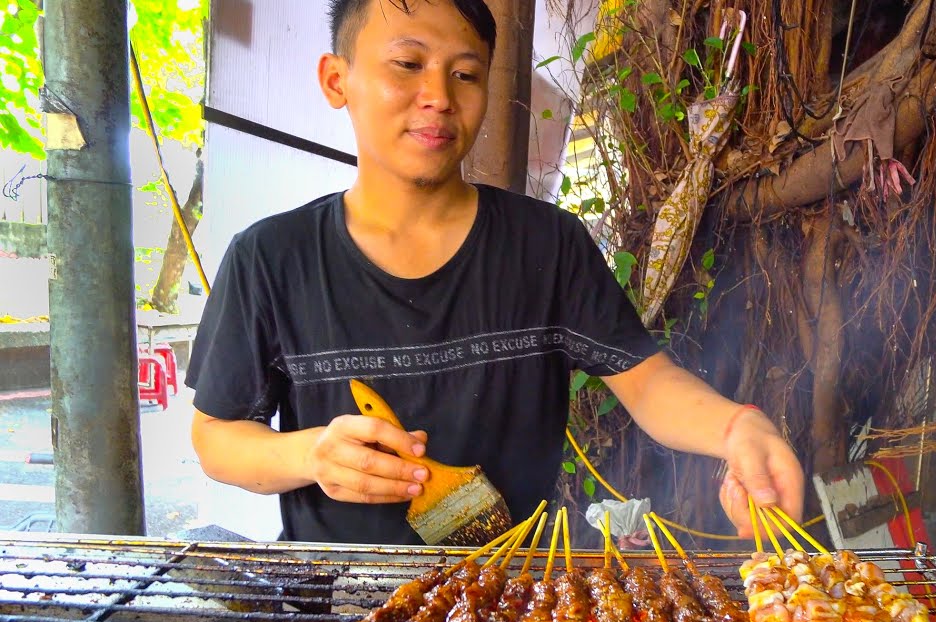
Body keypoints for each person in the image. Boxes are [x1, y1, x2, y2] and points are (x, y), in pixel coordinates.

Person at [186, 0, 804, 546]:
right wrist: (310, 455)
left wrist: (737, 426)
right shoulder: (271, 258)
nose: (439, 96)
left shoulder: (548, 244)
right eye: (407, 64)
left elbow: (644, 382)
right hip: (342, 609)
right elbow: (217, 436)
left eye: (465, 73)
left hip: (518, 607)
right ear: (336, 79)